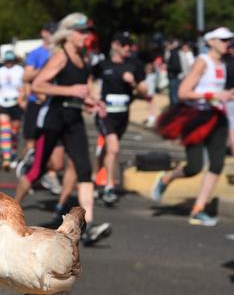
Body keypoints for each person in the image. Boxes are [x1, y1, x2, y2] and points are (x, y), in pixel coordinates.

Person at [14, 13, 111, 246]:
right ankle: (12, 212)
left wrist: (93, 102)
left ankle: (86, 226)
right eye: (81, 32)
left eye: (87, 32)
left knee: (84, 170)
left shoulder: (83, 58)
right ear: (68, 34)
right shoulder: (60, 56)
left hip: (74, 118)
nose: (85, 36)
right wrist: (71, 92)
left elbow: (80, 91)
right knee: (37, 170)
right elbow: (37, 85)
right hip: (53, 118)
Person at [152, 27, 234, 226]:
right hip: (196, 118)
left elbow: (221, 92)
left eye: (229, 40)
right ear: (211, 41)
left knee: (217, 163)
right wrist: (212, 95)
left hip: (217, 117)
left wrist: (226, 96)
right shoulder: (201, 62)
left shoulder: (224, 63)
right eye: (223, 40)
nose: (227, 43)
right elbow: (182, 92)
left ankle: (198, 209)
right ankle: (167, 178)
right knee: (194, 167)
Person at [92, 31, 147, 204]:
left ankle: (93, 178)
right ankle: (109, 187)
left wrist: (134, 83)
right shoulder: (102, 65)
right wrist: (94, 100)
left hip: (123, 115)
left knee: (108, 150)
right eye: (124, 45)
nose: (128, 48)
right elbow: (90, 80)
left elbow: (144, 91)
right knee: (114, 148)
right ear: (115, 45)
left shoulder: (134, 65)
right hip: (105, 114)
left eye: (130, 45)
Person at [20, 22, 63, 195]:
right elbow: (26, 75)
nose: (53, 35)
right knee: (31, 143)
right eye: (51, 31)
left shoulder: (60, 53)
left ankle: (49, 174)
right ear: (44, 33)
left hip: (53, 105)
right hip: (36, 103)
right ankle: (28, 172)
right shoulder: (36, 53)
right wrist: (45, 70)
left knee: (55, 150)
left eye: (56, 32)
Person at [0, 50, 25, 171]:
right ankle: (6, 157)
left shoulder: (20, 70)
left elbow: (24, 86)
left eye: (11, 60)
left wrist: (23, 98)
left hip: (16, 102)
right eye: (7, 60)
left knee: (14, 131)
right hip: (3, 102)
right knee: (5, 130)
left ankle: (13, 154)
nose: (9, 63)